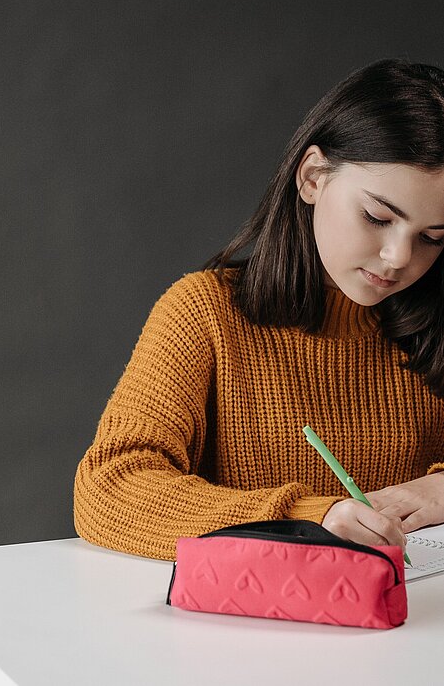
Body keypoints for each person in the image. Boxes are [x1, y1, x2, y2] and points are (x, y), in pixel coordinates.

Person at [73, 58, 444, 562]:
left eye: (432, 237)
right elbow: (110, 489)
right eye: (377, 216)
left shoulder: (435, 321)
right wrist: (304, 519)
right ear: (312, 177)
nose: (399, 257)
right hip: (254, 608)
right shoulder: (204, 312)